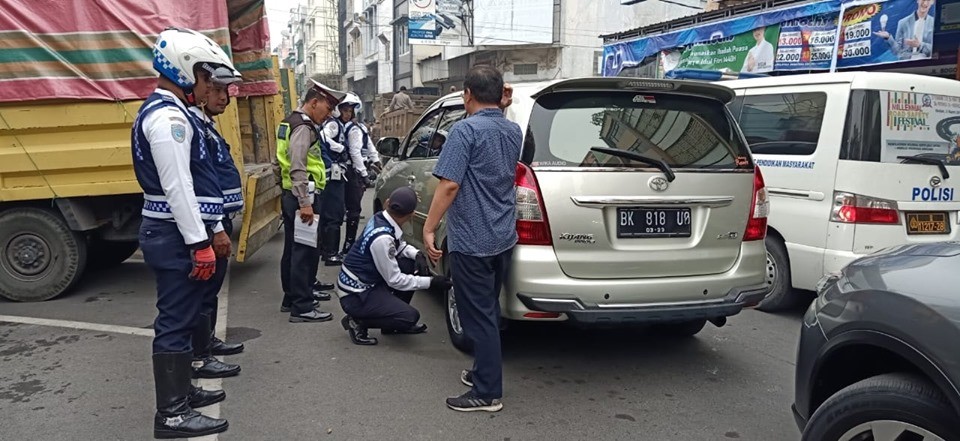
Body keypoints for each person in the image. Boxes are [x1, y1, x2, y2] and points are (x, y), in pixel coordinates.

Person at [132, 27, 234, 438]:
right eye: (211, 80)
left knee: (186, 312)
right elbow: (178, 187)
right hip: (174, 235)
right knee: (175, 320)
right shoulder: (168, 118)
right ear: (187, 72)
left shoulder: (173, 112)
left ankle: (183, 394)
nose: (216, 89)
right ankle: (171, 415)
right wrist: (200, 243)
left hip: (178, 232)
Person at [423, 65, 518, 413]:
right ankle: (482, 373)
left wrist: (429, 227)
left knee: (479, 317)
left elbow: (449, 184)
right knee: (488, 310)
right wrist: (502, 105)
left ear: (467, 94)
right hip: (502, 237)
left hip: (472, 241)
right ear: (499, 95)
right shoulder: (512, 130)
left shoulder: (463, 131)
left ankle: (487, 393)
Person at [337, 186, 451, 345]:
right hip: (356, 295)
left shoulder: (381, 218)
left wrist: (417, 254)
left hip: (364, 283)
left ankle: (392, 324)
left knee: (408, 263)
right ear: (411, 215)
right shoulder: (382, 239)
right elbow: (394, 280)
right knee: (409, 317)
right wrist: (431, 282)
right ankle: (357, 321)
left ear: (387, 203)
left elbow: (399, 246)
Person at [187, 66, 244, 379]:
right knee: (202, 291)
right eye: (218, 90)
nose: (225, 98)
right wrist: (217, 228)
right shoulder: (193, 124)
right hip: (210, 222)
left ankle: (205, 341)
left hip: (217, 219)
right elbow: (202, 182)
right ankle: (199, 355)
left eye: (227, 92)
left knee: (211, 291)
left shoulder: (206, 125)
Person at [276, 79, 345, 323]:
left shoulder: (288, 121)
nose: (327, 116)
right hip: (303, 197)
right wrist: (305, 202)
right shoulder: (303, 127)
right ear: (314, 102)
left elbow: (280, 164)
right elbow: (297, 165)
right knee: (304, 252)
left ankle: (292, 297)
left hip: (291, 195)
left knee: (292, 251)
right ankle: (302, 307)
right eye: (327, 109)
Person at [318, 95, 355, 265]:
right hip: (333, 175)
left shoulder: (341, 125)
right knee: (334, 214)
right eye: (345, 110)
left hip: (335, 173)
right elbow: (323, 138)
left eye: (350, 111)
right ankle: (330, 253)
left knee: (331, 214)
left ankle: (326, 250)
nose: (348, 114)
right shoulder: (333, 124)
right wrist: (341, 148)